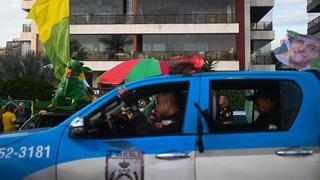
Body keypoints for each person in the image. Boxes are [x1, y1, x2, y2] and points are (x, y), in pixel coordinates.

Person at [118, 87, 184, 135]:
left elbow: (145, 130)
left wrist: (133, 106)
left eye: (158, 103)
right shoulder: (177, 118)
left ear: (167, 105)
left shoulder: (176, 122)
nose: (156, 106)